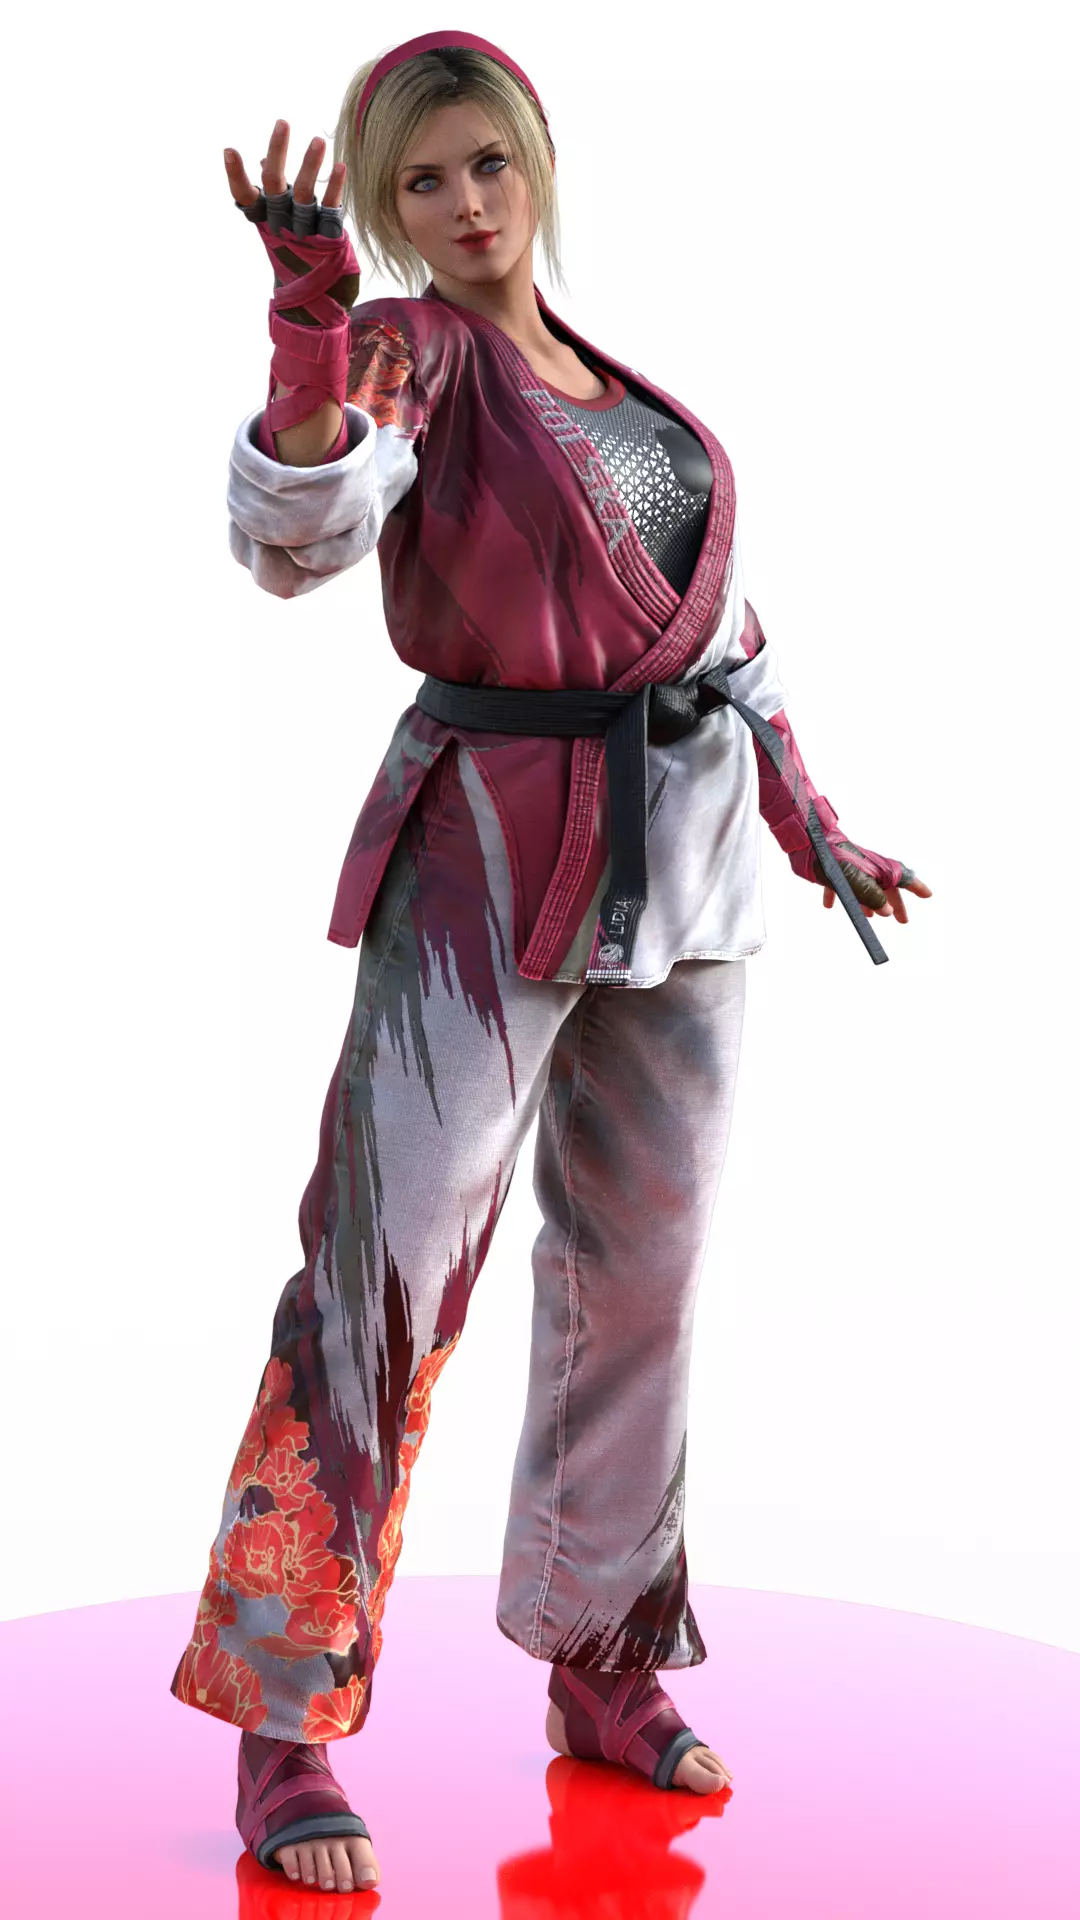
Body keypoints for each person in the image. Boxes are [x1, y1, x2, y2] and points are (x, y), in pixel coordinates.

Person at [170, 30, 932, 1898]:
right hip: (488, 855)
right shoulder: (406, 355)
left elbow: (722, 637)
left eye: (487, 164)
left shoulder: (628, 392)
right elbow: (299, 533)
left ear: (540, 161)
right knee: (383, 1277)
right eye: (420, 182)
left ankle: (602, 1655)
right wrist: (304, 331)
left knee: (643, 1279)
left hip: (689, 860)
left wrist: (816, 820)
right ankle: (288, 1718)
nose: (466, 205)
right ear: (382, 210)